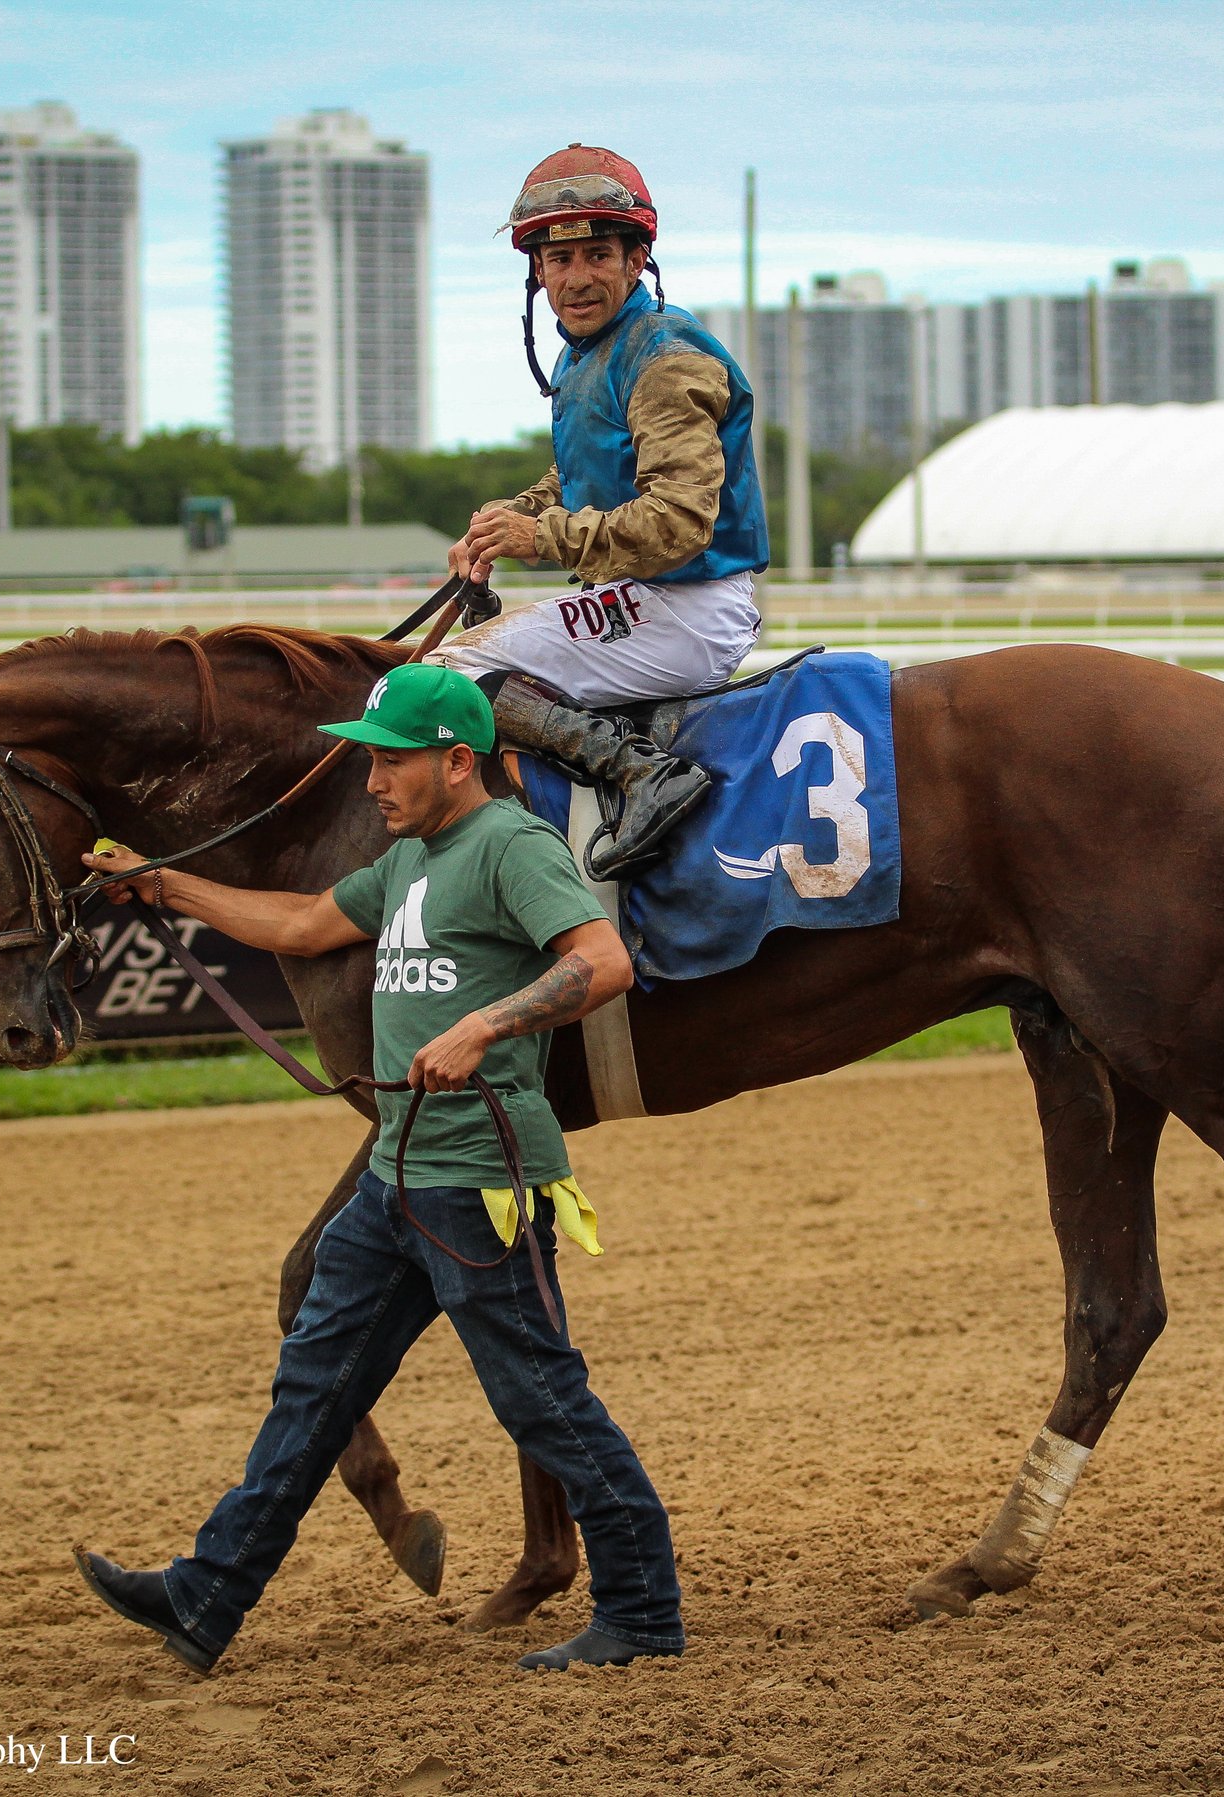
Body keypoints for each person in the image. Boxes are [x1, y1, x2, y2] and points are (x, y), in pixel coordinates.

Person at [70, 663, 683, 1673]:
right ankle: (205, 1595)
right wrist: (162, 881)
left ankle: (644, 1612)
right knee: (312, 1392)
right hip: (393, 1182)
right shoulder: (406, 862)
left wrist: (487, 1022)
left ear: (454, 760)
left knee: (541, 1400)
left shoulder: (511, 847)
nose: (371, 781)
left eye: (391, 761)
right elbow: (307, 927)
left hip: (481, 1181)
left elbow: (602, 961)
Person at [430, 144, 771, 882]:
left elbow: (679, 522)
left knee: (451, 673)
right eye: (559, 262)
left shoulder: (666, 356)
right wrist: (503, 520)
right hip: (641, 598)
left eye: (597, 255)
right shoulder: (586, 353)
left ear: (635, 258)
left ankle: (645, 776)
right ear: (538, 272)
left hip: (687, 604)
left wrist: (538, 537)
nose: (576, 279)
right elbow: (581, 475)